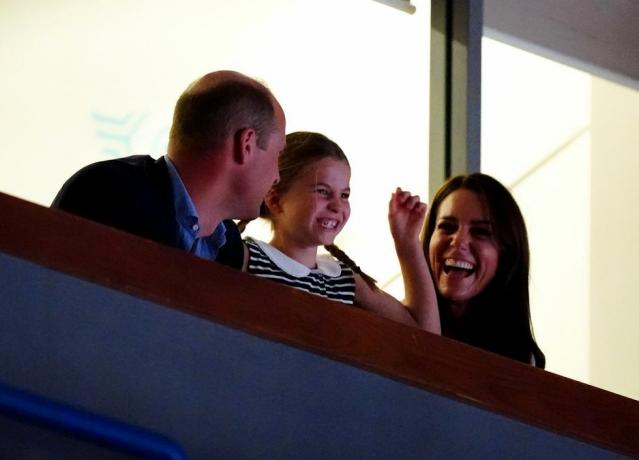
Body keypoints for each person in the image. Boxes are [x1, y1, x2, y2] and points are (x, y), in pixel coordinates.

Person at [52, 70, 286, 269]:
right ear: (245, 145)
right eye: (278, 154)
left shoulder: (230, 245)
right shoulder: (103, 194)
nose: (277, 176)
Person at [240, 131, 440, 333]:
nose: (337, 206)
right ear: (275, 199)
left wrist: (408, 243)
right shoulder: (248, 257)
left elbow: (427, 337)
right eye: (323, 191)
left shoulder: (345, 279)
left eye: (344, 195)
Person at [422, 172, 545, 367]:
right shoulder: (393, 322)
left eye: (480, 232)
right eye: (447, 226)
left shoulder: (520, 361)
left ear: (506, 255)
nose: (459, 241)